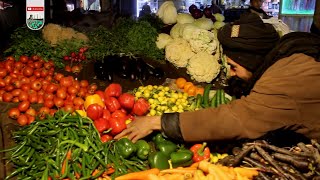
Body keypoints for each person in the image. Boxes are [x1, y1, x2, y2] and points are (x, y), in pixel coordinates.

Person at [115, 13, 320, 143]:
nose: (230, 73)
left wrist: (156, 122)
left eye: (233, 66)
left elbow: (235, 119)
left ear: (252, 61)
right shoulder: (289, 58)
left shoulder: (284, 80)